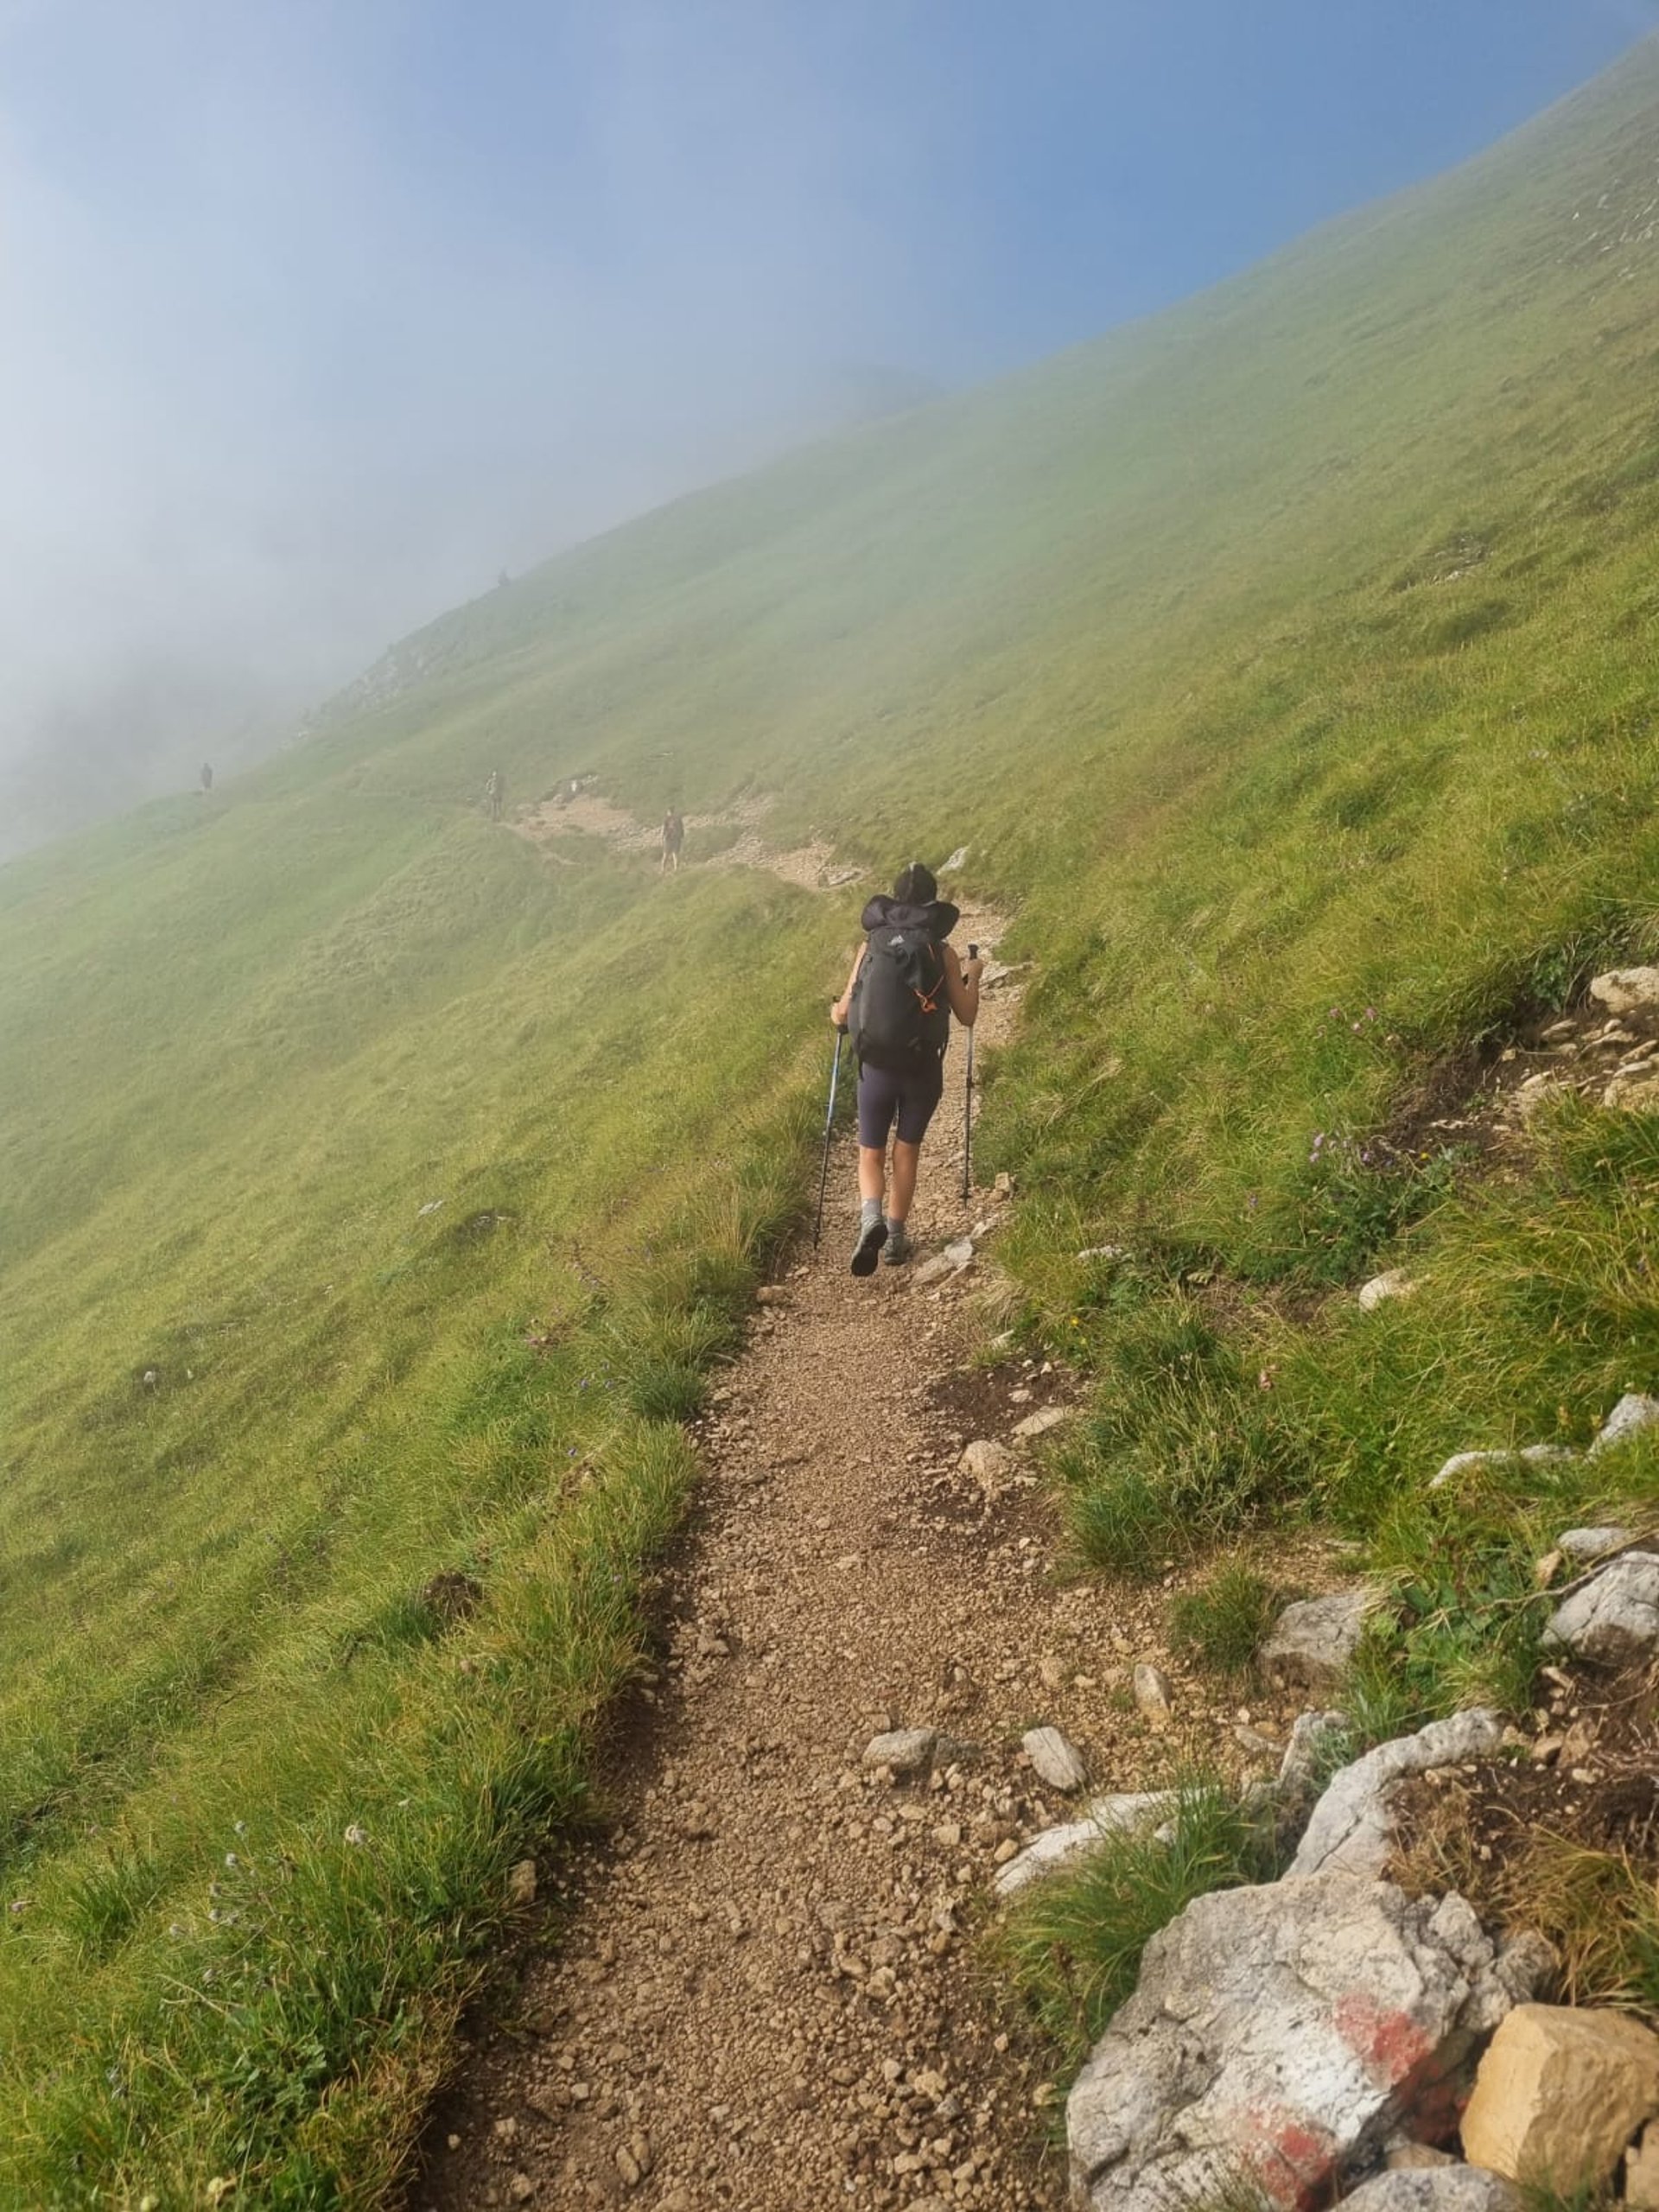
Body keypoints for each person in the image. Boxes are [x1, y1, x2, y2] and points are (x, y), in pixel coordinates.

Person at [830, 861, 982, 1274]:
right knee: (906, 1150)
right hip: (921, 1068)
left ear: (894, 899)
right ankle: (896, 1237)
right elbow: (967, 1015)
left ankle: (870, 1218)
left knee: (870, 1151)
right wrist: (974, 975)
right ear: (932, 903)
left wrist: (834, 1013)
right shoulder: (943, 951)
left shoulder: (871, 945)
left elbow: (843, 1012)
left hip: (876, 1066)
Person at [661, 808, 685, 873]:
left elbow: (663, 829)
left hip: (669, 838)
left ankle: (664, 869)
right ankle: (675, 869)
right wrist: (681, 837)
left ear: (669, 812)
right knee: (674, 854)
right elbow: (682, 829)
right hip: (675, 838)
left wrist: (662, 837)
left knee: (667, 855)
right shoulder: (678, 819)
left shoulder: (667, 819)